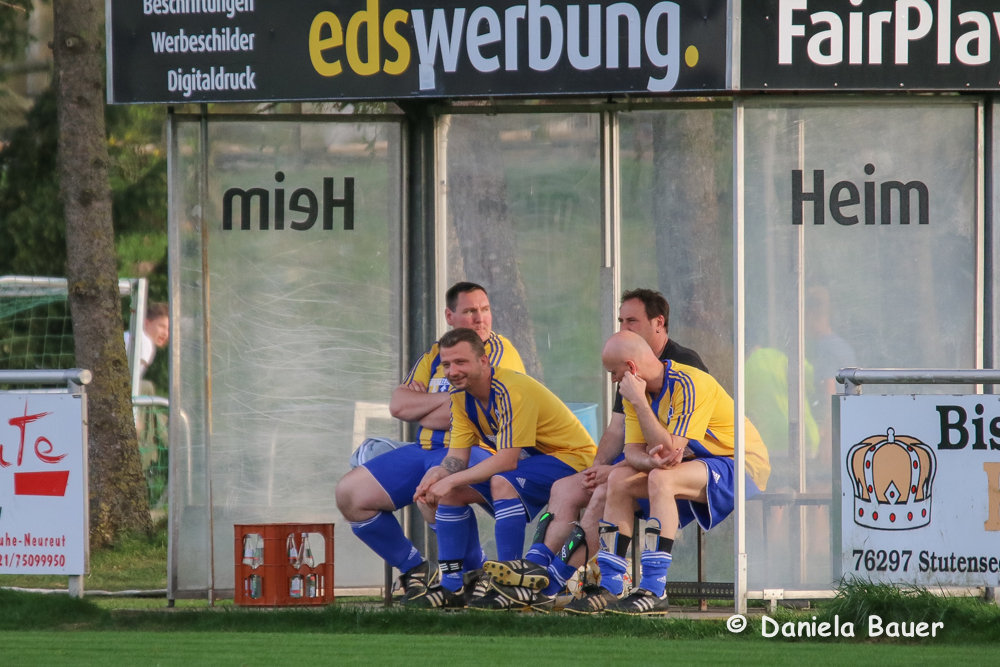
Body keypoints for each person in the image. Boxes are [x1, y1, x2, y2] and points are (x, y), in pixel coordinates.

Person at [494, 289, 708, 613]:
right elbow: (616, 430)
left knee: (602, 495)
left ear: (658, 323)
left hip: (683, 464)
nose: (624, 327)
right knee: (565, 488)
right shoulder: (629, 367)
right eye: (621, 320)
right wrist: (596, 467)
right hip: (641, 460)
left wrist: (613, 471)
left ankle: (549, 584)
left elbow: (677, 448)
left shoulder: (684, 364)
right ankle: (534, 566)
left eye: (631, 320)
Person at [335, 283, 524, 604]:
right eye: (470, 311)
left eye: (485, 310)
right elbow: (399, 406)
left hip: (477, 450)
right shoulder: (435, 354)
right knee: (349, 493)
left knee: (434, 490)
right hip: (424, 449)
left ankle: (469, 574)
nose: (480, 319)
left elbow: (472, 410)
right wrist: (449, 400)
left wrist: (425, 406)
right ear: (450, 316)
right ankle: (416, 570)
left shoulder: (498, 351)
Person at [410, 327, 596, 611]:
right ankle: (452, 586)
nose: (452, 371)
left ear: (483, 361)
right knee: (451, 494)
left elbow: (506, 461)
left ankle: (509, 587)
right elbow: (456, 458)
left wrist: (450, 480)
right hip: (530, 465)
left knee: (501, 481)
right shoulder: (459, 398)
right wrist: (438, 475)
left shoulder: (510, 389)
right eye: (446, 365)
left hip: (574, 460)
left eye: (461, 362)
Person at [587, 331, 770, 615]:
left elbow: (670, 449)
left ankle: (654, 589)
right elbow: (633, 451)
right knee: (618, 479)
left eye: (614, 372)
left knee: (662, 479)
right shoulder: (634, 393)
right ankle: (610, 586)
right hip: (697, 463)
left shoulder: (690, 382)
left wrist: (642, 407)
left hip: (740, 463)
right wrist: (652, 462)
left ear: (631, 368)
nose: (613, 380)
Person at [124, 302, 169, 392]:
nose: (165, 333)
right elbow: (131, 379)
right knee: (148, 388)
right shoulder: (144, 341)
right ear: (146, 323)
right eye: (161, 326)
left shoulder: (132, 335)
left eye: (169, 329)